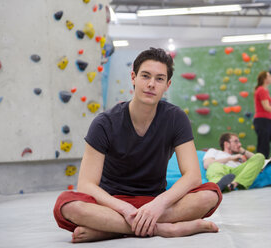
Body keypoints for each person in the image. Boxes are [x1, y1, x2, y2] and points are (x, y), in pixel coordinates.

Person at [53, 48, 222, 243]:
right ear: (133, 77)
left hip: (155, 201)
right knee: (68, 205)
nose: (151, 84)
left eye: (159, 79)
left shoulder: (176, 118)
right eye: (145, 76)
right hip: (111, 204)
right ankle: (162, 229)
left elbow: (193, 176)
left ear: (167, 85)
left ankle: (110, 230)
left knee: (210, 194)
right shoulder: (104, 123)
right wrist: (124, 209)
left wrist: (158, 204)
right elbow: (86, 185)